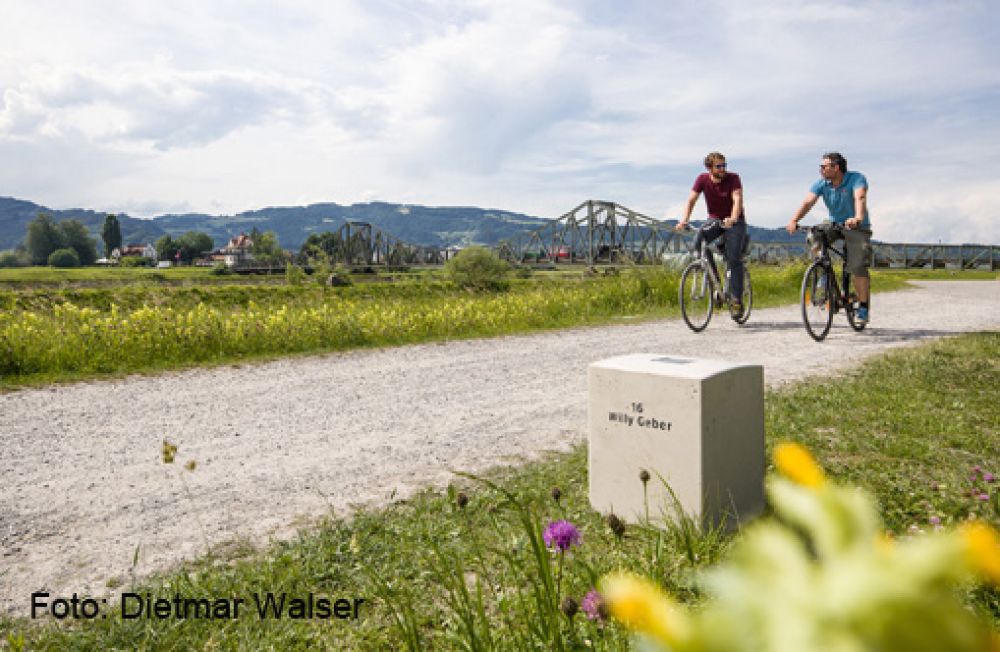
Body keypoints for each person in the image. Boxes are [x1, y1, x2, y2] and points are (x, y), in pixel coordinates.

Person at [786, 152, 873, 324]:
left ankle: (863, 308)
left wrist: (857, 218)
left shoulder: (856, 179)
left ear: (836, 167)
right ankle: (823, 271)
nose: (820, 169)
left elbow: (860, 197)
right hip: (834, 224)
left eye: (824, 166)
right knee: (814, 235)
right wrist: (794, 220)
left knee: (858, 266)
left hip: (856, 226)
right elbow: (808, 202)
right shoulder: (821, 183)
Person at [676, 151, 748, 317]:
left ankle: (736, 300)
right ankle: (715, 284)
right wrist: (684, 220)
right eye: (719, 166)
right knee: (698, 242)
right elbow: (691, 200)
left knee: (733, 258)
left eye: (724, 165)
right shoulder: (702, 179)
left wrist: (733, 218)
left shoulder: (733, 178)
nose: (723, 169)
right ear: (710, 168)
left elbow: (737, 199)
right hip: (714, 220)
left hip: (735, 222)